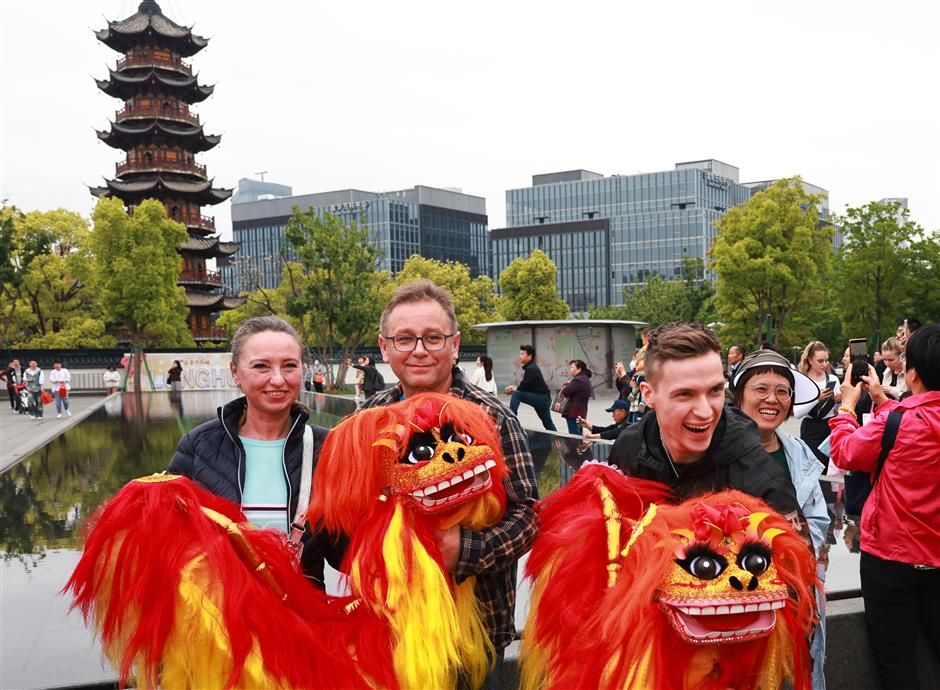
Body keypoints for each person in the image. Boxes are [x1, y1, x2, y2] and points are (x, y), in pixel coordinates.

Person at [364, 279, 539, 686]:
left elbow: (528, 515)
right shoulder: (368, 418)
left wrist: (467, 549)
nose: (420, 350)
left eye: (433, 338)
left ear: (455, 344)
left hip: (476, 633)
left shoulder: (492, 418)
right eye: (404, 339)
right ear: (385, 346)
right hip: (390, 626)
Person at [169, 316, 331, 586]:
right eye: (261, 367)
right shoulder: (199, 445)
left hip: (303, 619)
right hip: (218, 616)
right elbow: (172, 539)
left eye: (289, 365)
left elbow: (345, 554)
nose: (277, 379)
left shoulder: (326, 447)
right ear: (235, 372)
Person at [829, 324, 940, 690]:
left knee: (897, 665)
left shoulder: (895, 423)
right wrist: (882, 400)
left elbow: (846, 453)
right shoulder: (898, 417)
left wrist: (846, 406)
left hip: (889, 561)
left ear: (913, 372)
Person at [609, 322, 802, 518]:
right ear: (649, 395)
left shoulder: (763, 480)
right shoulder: (627, 448)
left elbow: (797, 547)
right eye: (685, 394)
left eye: (715, 391)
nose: (705, 412)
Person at [731, 349, 829, 690]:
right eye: (761, 389)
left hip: (797, 601)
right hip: (737, 603)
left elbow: (818, 521)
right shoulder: (716, 454)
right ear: (740, 395)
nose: (772, 400)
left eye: (782, 391)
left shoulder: (799, 451)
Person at [794, 341, 841, 467]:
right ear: (810, 360)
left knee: (830, 470)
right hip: (811, 429)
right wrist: (817, 398)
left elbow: (838, 411)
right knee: (813, 469)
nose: (824, 364)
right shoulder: (802, 380)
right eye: (820, 361)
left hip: (830, 428)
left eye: (826, 360)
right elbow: (797, 412)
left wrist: (838, 401)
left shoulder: (833, 379)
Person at [504, 345, 557, 432]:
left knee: (517, 394)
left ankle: (511, 418)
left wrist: (513, 389)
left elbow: (522, 387)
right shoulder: (531, 367)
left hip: (541, 399)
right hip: (543, 399)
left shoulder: (531, 368)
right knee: (548, 423)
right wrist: (514, 388)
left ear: (529, 356)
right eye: (520, 354)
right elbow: (525, 386)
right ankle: (557, 441)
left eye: (522, 354)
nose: (520, 356)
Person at [558, 359, 592, 434]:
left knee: (574, 437)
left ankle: (576, 446)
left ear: (579, 369)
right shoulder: (584, 378)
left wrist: (567, 384)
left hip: (574, 413)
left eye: (572, 368)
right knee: (577, 435)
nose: (570, 370)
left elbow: (565, 392)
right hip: (579, 412)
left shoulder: (578, 380)